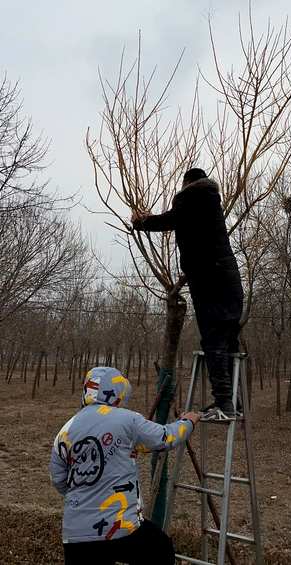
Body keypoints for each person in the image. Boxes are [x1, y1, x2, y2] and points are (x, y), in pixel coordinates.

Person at [49, 366, 200, 565]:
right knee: (160, 548)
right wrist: (188, 422)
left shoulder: (65, 431)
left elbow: (59, 481)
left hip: (75, 534)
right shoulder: (127, 419)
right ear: (116, 392)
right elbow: (165, 437)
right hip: (119, 527)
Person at [132, 168, 244, 420]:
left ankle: (224, 405)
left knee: (213, 339)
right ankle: (234, 402)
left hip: (209, 280)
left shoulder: (191, 197)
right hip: (230, 279)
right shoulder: (212, 202)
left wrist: (141, 222)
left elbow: (169, 220)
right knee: (228, 339)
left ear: (187, 183)